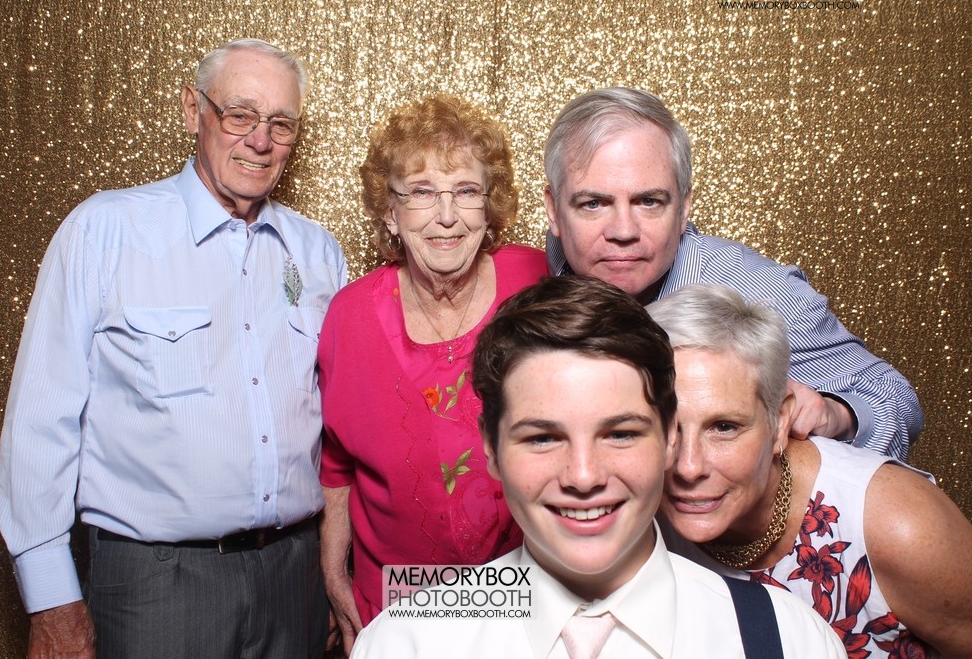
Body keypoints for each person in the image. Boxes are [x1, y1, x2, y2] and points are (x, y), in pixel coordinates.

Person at [0, 38, 344, 658]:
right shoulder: (105, 232)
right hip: (156, 588)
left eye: (281, 124)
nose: (259, 141)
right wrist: (51, 597)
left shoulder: (317, 252)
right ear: (193, 110)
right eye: (239, 115)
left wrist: (332, 572)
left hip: (294, 580)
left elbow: (341, 428)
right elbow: (40, 423)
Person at [352, 275, 847, 658]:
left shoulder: (788, 640)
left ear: (670, 438)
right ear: (492, 449)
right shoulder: (407, 642)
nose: (584, 476)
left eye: (620, 434)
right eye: (543, 438)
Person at [542, 87, 922, 460]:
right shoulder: (541, 277)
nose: (623, 230)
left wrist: (837, 414)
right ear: (555, 211)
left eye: (649, 201)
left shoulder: (758, 290)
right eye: (593, 204)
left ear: (684, 207)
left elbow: (895, 399)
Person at [318, 94, 548, 652]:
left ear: (489, 209)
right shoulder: (350, 316)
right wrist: (332, 573)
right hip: (398, 604)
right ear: (390, 213)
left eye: (466, 191)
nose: (446, 216)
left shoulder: (539, 283)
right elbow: (337, 462)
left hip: (531, 596)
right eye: (421, 192)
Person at [648, 284, 972, 657]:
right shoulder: (635, 510)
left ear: (780, 422)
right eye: (664, 426)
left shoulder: (897, 525)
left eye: (724, 427)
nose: (689, 467)